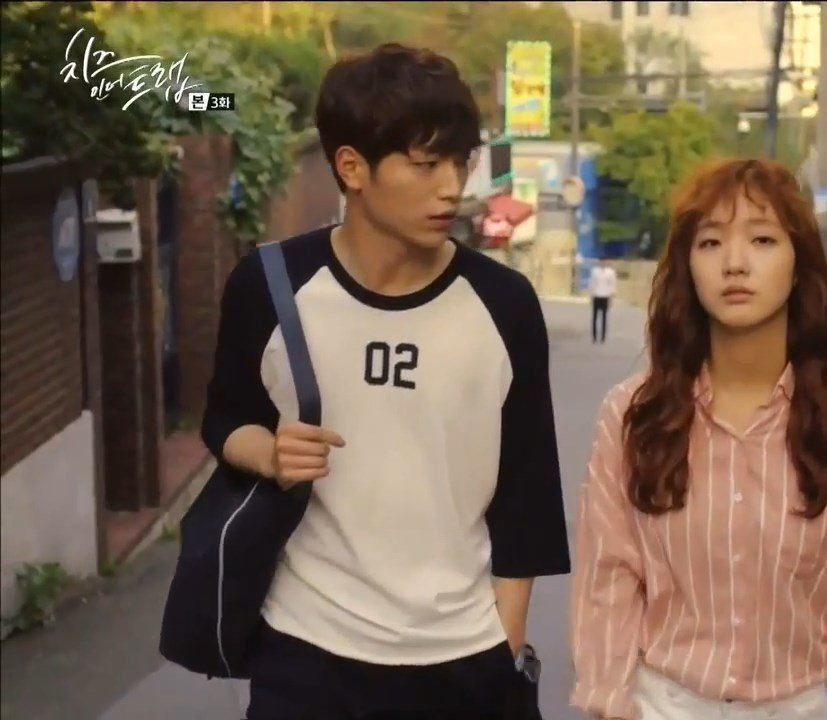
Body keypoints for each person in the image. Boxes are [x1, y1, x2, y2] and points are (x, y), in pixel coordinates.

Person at [201, 43, 570, 720]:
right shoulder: (270, 286)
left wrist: (505, 646)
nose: (451, 186)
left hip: (464, 658)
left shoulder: (504, 304)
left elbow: (528, 497)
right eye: (426, 165)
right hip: (306, 649)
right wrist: (271, 453)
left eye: (460, 161)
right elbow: (224, 420)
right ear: (352, 167)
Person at [568, 158, 827, 720]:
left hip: (796, 706)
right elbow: (608, 580)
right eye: (711, 243)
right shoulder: (633, 415)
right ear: (688, 267)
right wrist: (609, 705)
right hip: (659, 703)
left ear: (799, 264)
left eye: (762, 239)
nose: (734, 263)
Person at [587, 258, 617, 343]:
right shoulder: (595, 271)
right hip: (596, 295)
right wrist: (591, 295)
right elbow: (592, 283)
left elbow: (612, 284)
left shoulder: (610, 272)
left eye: (604, 262)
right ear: (599, 262)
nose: (602, 263)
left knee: (604, 317)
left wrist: (611, 297)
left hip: (605, 296)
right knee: (595, 317)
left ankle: (603, 337)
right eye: (601, 262)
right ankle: (594, 336)